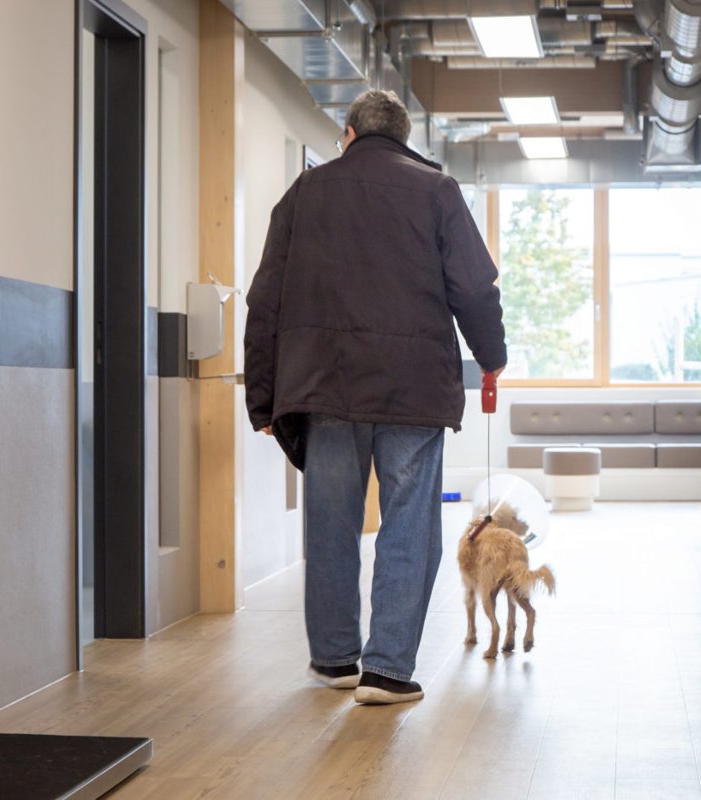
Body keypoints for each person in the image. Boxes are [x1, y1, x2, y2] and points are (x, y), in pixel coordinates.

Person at [243, 90, 506, 705]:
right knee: (410, 523)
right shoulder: (437, 191)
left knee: (331, 523)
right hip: (414, 389)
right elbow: (474, 287)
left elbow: (265, 300)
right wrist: (491, 356)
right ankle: (388, 671)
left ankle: (335, 660)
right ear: (404, 136)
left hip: (324, 385)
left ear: (349, 134)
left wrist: (263, 397)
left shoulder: (306, 193)